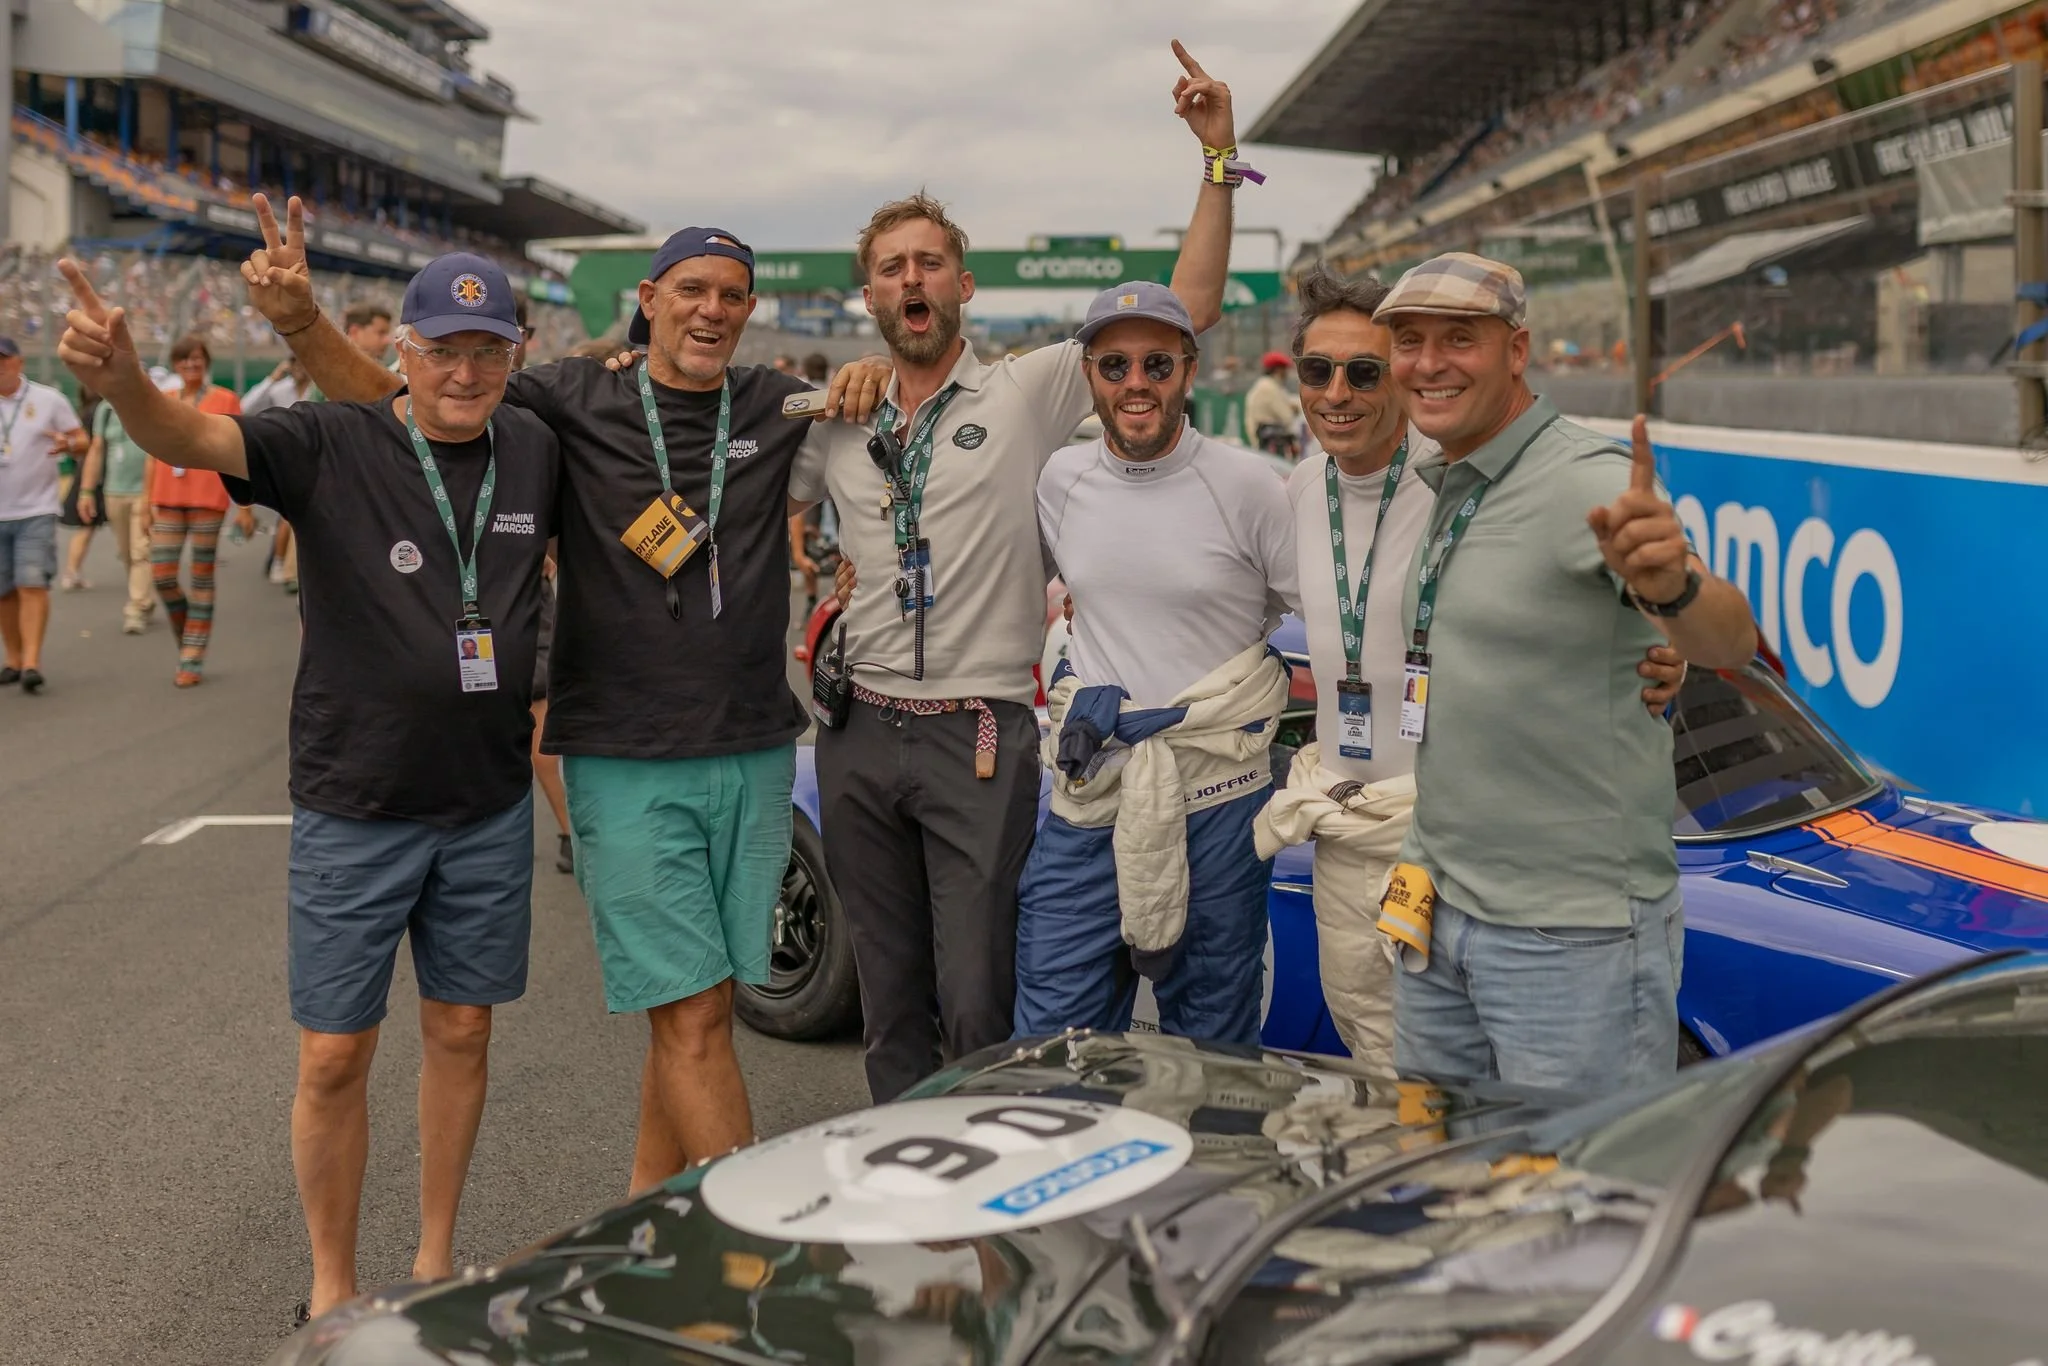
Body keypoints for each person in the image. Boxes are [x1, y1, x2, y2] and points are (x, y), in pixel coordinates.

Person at [239, 195, 888, 1192]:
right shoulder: (569, 396)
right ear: (649, 299)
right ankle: (756, 1244)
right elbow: (393, 399)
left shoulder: (772, 400)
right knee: (690, 1013)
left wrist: (871, 368)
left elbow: (885, 407)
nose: (710, 311)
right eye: (690, 292)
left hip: (753, 744)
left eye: (730, 296)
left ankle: (643, 1215)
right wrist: (299, 323)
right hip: (623, 750)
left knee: (701, 1007)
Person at [58, 250, 557, 1325]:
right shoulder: (331, 439)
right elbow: (186, 438)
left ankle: (432, 1261)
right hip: (355, 800)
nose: (465, 373)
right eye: (443, 351)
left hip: (485, 803)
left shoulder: (533, 447)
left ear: (515, 356)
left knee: (462, 1032)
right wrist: (126, 385)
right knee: (334, 1053)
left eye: (489, 351)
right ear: (401, 354)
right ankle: (331, 1284)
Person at [787, 39, 1241, 1100]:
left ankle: (995, 1234)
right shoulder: (833, 414)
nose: (912, 279)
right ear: (868, 296)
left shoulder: (1028, 389)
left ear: (963, 284)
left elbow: (1189, 308)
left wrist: (1218, 160)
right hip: (855, 731)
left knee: (979, 996)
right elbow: (726, 476)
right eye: (892, 267)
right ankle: (914, 1211)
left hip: (976, 731)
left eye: (929, 262)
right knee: (889, 1000)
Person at [1254, 263, 1684, 1071]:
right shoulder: (1300, 488)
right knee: (1400, 1101)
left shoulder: (1464, 475)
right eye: (1317, 371)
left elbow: (1631, 602)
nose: (1337, 392)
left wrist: (1671, 631)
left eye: (1365, 369)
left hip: (1496, 865)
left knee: (1558, 1155)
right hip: (1380, 850)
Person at [1373, 252, 1755, 1094]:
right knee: (1451, 1195)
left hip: (1567, 940)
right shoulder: (1445, 477)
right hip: (1439, 911)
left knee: (1580, 1207)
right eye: (1409, 340)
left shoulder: (1588, 478)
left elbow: (1729, 639)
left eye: (1458, 339)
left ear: (1517, 351)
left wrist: (1675, 589)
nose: (1428, 362)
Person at [1019, 282, 1295, 1044]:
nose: (1135, 383)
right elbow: (1001, 582)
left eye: (1156, 363)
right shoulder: (1059, 479)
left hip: (1218, 794)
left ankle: (1212, 1166)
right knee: (1054, 1036)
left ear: (1188, 369)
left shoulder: (1249, 486)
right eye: (1114, 365)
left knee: (1213, 1044)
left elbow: (1324, 622)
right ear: (1090, 377)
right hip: (1094, 787)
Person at [147, 334, 244, 686]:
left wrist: (244, 506)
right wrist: (147, 502)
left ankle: (192, 655)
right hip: (167, 494)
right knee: (162, 574)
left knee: (202, 574)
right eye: (184, 359)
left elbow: (238, 451)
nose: (191, 364)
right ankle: (191, 630)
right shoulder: (164, 399)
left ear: (206, 362)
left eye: (197, 358)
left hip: (208, 495)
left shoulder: (225, 398)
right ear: (175, 364)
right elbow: (152, 450)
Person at [0, 335, 86, 693]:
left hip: (36, 507)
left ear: (19, 363)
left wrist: (69, 444)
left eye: (3, 360)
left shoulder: (48, 399)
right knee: (4, 591)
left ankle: (32, 662)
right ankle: (14, 659)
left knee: (32, 582)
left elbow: (82, 440)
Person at [76, 385, 158, 634]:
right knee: (127, 553)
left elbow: (155, 454)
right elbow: (97, 450)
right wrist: (86, 490)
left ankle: (135, 608)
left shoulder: (148, 406)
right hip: (114, 492)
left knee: (140, 551)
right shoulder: (105, 410)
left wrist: (149, 496)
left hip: (144, 493)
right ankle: (144, 597)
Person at [1244, 350, 1300, 455]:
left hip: (1262, 440)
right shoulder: (1269, 388)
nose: (1286, 373)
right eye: (1284, 369)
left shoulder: (1265, 385)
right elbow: (1286, 417)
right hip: (1269, 442)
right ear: (1278, 370)